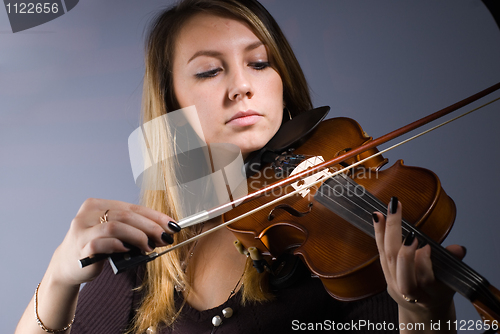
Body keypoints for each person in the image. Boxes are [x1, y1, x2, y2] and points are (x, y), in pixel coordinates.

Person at [15, 0, 466, 333]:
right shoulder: (154, 251)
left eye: (259, 63)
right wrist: (59, 273)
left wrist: (424, 316)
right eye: (210, 71)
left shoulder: (342, 236)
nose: (242, 87)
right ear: (172, 103)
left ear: (282, 81)